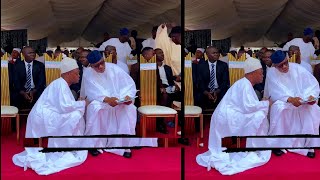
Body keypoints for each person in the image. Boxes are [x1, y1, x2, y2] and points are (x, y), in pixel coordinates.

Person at [12, 57, 88, 175]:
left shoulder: (62, 83)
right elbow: (65, 106)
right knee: (75, 116)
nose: (79, 76)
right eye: (77, 73)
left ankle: (71, 144)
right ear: (68, 73)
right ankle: (68, 145)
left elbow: (64, 106)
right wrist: (83, 103)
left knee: (75, 114)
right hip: (44, 117)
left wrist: (79, 104)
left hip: (47, 114)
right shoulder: (61, 84)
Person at [196, 57, 271, 175]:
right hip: (227, 117)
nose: (263, 75)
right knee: (259, 116)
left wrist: (262, 104)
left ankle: (256, 144)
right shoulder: (245, 84)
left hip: (230, 115)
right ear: (252, 73)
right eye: (261, 73)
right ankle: (255, 146)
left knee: (259, 114)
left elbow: (248, 106)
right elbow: (249, 107)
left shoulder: (245, 83)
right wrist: (266, 103)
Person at [264, 50, 320, 158]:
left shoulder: (298, 68)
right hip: (285, 102)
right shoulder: (271, 73)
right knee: (277, 107)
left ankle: (309, 146)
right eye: (280, 66)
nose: (285, 67)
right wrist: (289, 99)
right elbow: (274, 92)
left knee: (313, 109)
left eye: (286, 63)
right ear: (275, 66)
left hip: (301, 100)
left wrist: (310, 97)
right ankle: (278, 144)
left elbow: (312, 85)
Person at [82, 50, 138, 157]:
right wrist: (107, 99)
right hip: (102, 101)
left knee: (129, 108)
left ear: (104, 59)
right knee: (94, 108)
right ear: (91, 66)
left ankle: (124, 145)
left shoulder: (115, 69)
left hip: (118, 101)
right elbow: (92, 92)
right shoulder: (88, 73)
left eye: (102, 63)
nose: (101, 67)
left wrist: (126, 97)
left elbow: (128, 85)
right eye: (96, 66)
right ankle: (95, 144)